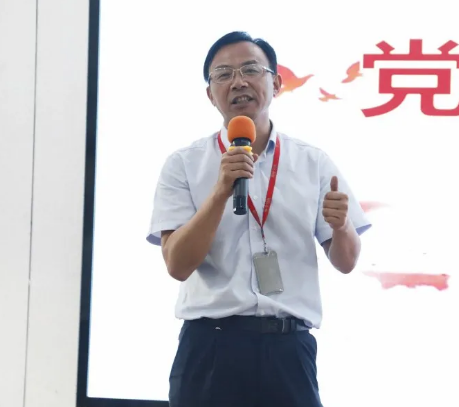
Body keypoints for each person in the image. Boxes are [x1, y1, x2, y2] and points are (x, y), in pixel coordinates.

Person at [146, 31, 371, 407]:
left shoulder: (312, 162)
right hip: (210, 348)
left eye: (251, 69)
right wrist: (221, 191)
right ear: (210, 94)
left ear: (277, 83)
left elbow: (346, 261)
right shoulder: (183, 164)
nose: (238, 82)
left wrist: (342, 225)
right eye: (223, 74)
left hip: (288, 348)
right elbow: (178, 265)